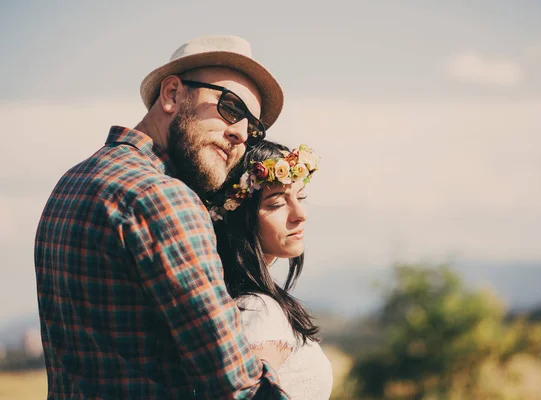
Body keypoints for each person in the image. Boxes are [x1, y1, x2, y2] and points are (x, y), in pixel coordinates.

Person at [34, 35, 290, 399]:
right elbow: (236, 386)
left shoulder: (71, 182)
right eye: (231, 108)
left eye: (253, 129)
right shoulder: (164, 197)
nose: (239, 134)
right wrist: (266, 369)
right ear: (171, 94)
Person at [207, 140, 333, 400]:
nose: (300, 214)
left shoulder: (255, 303)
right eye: (276, 204)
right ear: (239, 217)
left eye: (300, 197)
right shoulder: (257, 311)